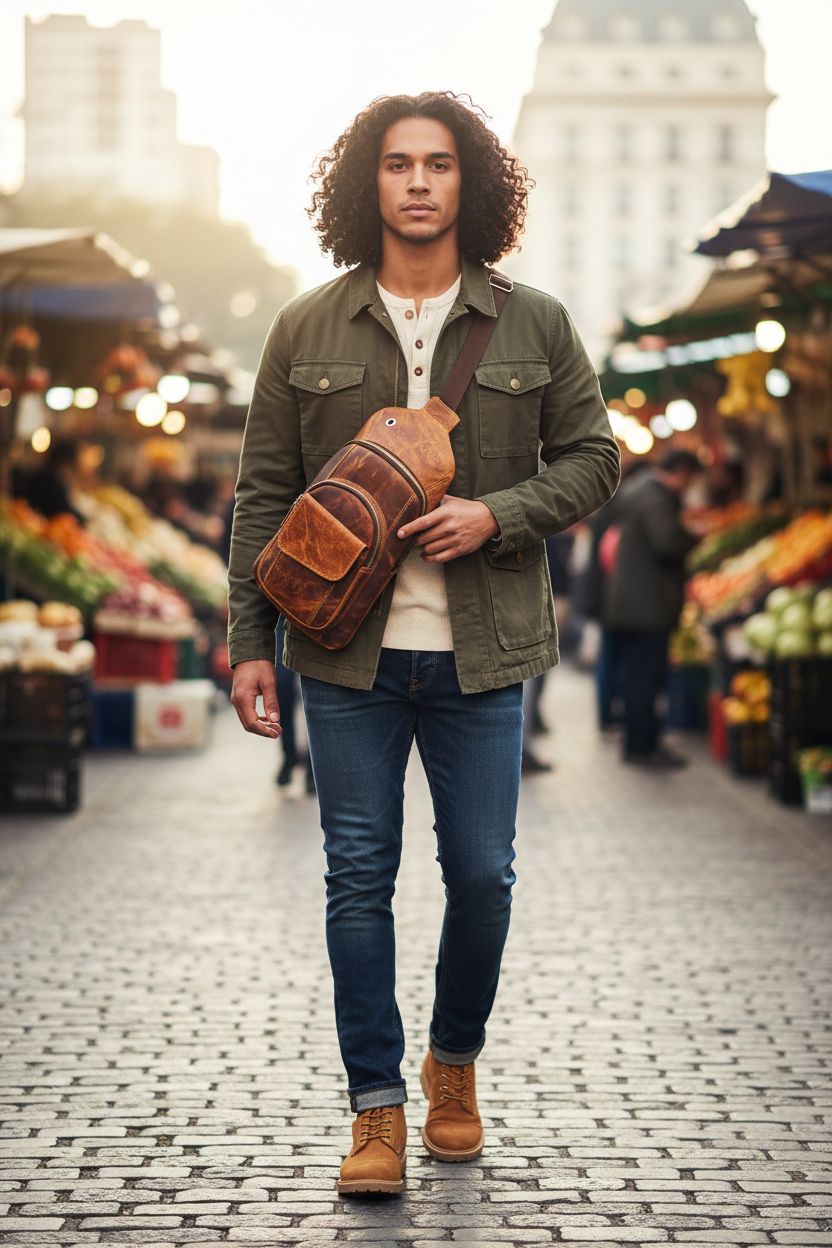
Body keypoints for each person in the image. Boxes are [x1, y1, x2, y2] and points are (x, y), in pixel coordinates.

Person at [227, 91, 620, 1196]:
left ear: (470, 183)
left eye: (437, 164)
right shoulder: (305, 325)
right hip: (340, 661)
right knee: (357, 879)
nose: (415, 182)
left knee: (482, 876)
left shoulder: (530, 321)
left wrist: (496, 514)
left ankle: (454, 1066)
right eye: (396, 164)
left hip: (481, 654)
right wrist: (246, 642)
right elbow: (262, 494)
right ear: (368, 182)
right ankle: (377, 1112)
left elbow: (595, 457)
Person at [603, 448, 701, 768]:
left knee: (636, 677)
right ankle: (644, 746)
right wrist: (694, 537)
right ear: (682, 472)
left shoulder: (638, 490)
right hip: (648, 605)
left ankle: (638, 743)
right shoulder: (656, 498)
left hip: (631, 603)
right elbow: (666, 542)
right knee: (646, 679)